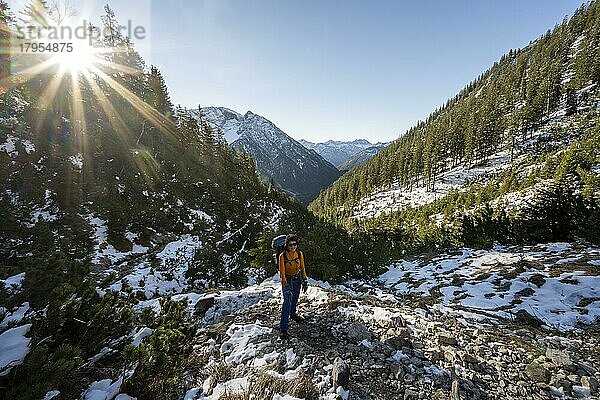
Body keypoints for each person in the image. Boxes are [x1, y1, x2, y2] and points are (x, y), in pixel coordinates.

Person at [278, 234, 308, 339]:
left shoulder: (299, 254)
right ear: (287, 245)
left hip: (297, 278)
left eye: (294, 244)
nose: (293, 247)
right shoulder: (283, 256)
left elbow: (302, 267)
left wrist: (304, 279)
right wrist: (285, 284)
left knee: (295, 297)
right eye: (290, 245)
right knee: (287, 301)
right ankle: (283, 329)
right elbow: (282, 272)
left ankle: (293, 313)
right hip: (288, 279)